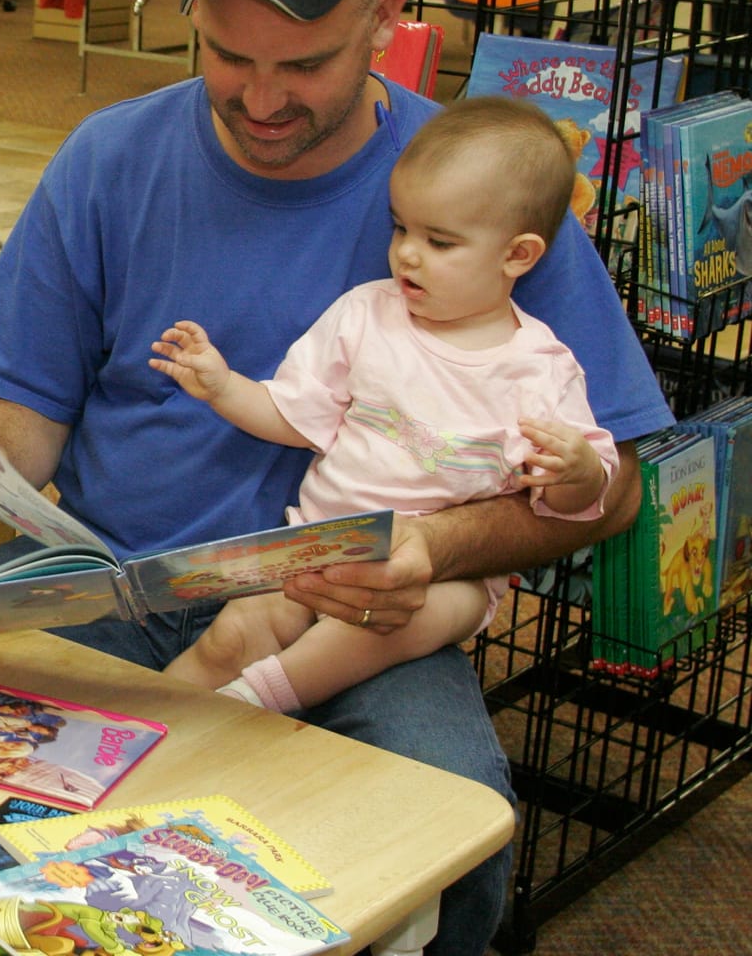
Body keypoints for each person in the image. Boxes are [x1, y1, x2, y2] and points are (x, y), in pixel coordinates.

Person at [0, 0, 671, 956]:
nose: (259, 97)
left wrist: (433, 552)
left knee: (451, 845)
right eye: (223, 54)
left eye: (303, 63)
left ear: (391, 17)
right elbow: (24, 409)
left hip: (360, 613)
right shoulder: (113, 156)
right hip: (109, 574)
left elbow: (614, 491)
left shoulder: (478, 189)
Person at [149, 95, 618, 715]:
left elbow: (580, 501)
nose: (408, 254)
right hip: (319, 543)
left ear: (518, 255)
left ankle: (255, 701)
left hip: (443, 578)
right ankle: (144, 725)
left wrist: (577, 471)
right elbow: (292, 416)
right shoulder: (366, 314)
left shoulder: (539, 368)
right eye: (401, 228)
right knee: (234, 634)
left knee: (389, 626)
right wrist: (222, 385)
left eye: (441, 241)